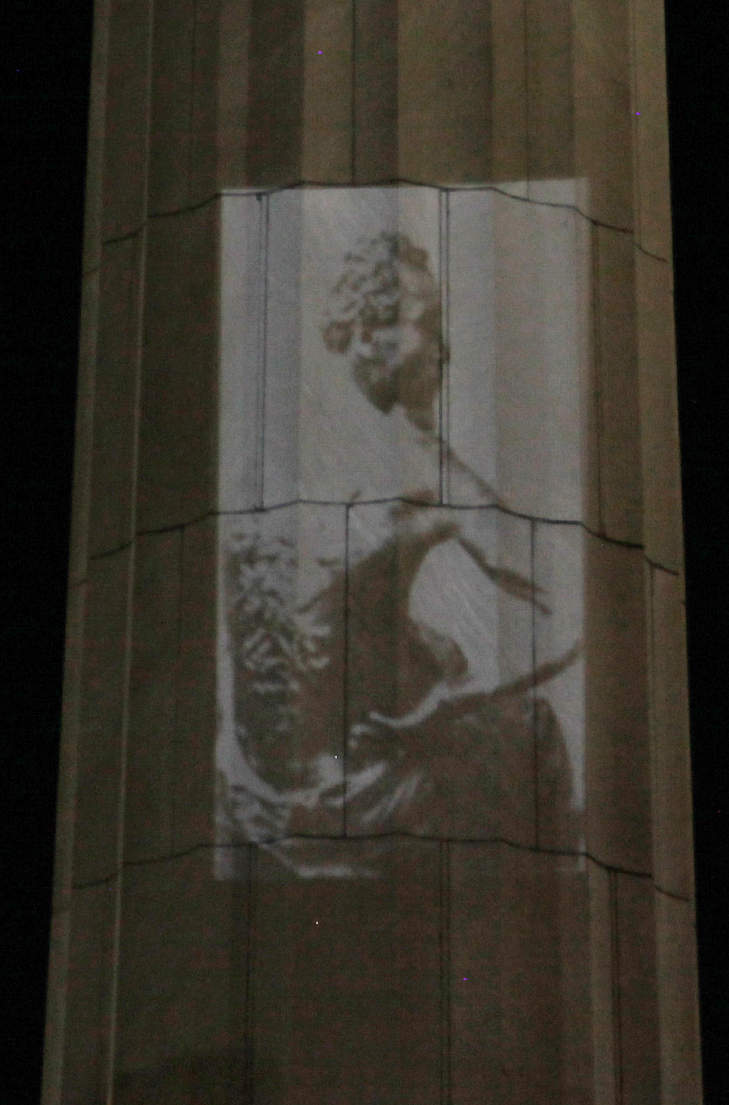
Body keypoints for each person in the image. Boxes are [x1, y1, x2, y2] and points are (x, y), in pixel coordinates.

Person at [220, 230, 580, 869]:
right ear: (366, 333)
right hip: (361, 792)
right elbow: (571, 606)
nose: (445, 351)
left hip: (263, 784)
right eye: (430, 325)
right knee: (536, 729)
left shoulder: (262, 448)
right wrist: (448, 703)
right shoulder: (418, 466)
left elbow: (288, 630)